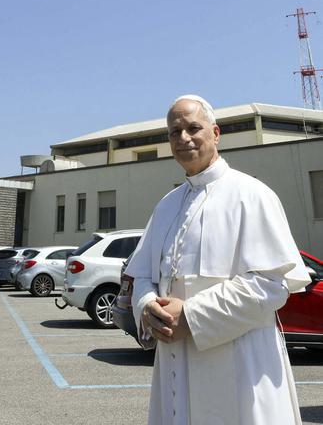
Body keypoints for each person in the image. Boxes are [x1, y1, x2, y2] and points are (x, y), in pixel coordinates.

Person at [127, 94, 310, 425]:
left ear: (215, 133)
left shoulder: (253, 195)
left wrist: (192, 316)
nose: (183, 138)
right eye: (173, 132)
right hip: (174, 361)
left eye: (193, 128)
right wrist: (147, 306)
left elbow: (270, 286)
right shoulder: (165, 205)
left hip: (240, 365)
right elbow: (142, 276)